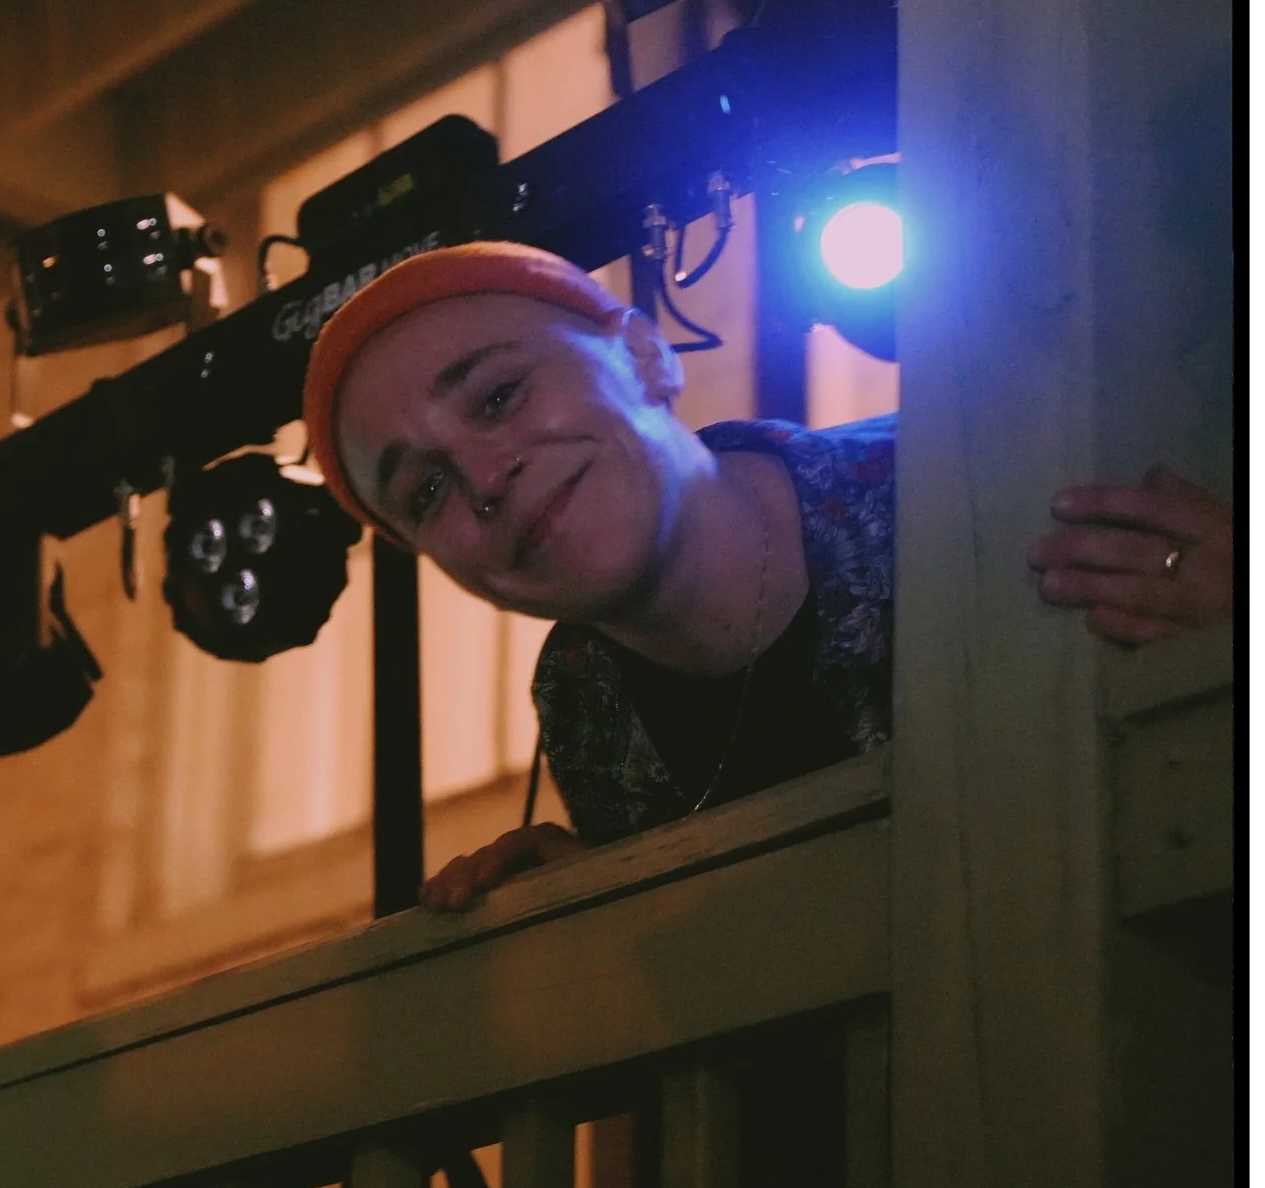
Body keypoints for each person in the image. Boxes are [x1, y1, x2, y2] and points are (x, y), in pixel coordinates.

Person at [297, 241, 1235, 912]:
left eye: (500, 395)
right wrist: (608, 907)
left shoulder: (971, 477)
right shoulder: (582, 698)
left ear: (642, 355)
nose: (486, 477)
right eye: (424, 490)